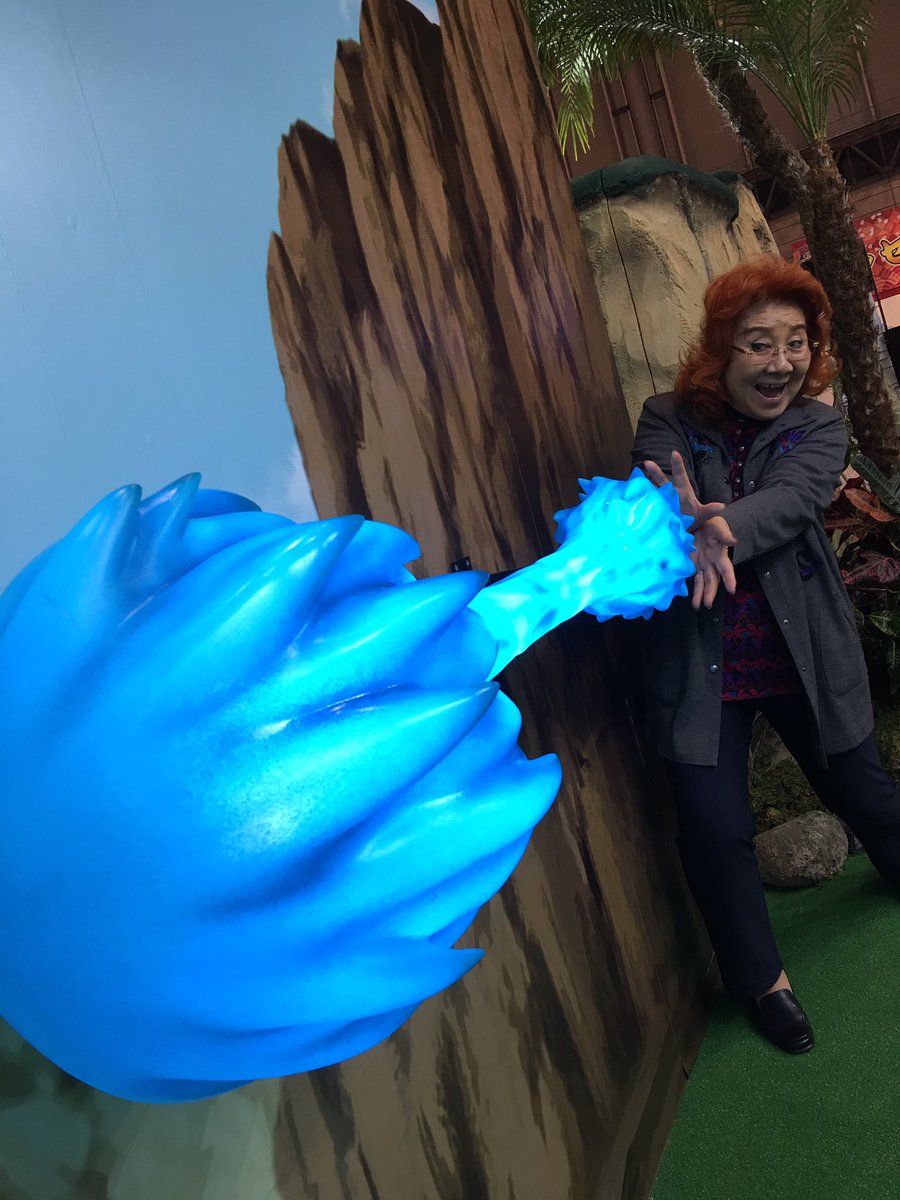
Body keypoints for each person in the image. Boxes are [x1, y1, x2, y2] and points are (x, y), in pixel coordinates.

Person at [631, 254, 900, 1054]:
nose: (781, 361)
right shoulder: (664, 417)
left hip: (802, 652)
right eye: (759, 343)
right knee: (715, 832)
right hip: (700, 664)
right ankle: (762, 981)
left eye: (796, 342)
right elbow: (655, 501)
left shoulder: (819, 424)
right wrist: (675, 520)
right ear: (722, 347)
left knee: (865, 793)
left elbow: (795, 498)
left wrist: (719, 526)